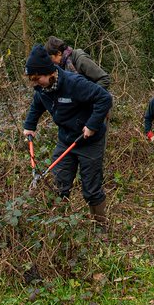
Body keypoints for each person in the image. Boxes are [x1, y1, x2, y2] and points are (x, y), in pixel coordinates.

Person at [22, 43, 113, 227]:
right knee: (59, 185)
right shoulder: (42, 89)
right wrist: (30, 126)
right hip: (66, 140)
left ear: (50, 73)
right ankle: (60, 227)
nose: (35, 82)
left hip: (89, 141)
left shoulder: (74, 83)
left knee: (91, 189)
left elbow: (104, 98)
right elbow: (37, 105)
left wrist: (92, 125)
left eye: (37, 78)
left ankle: (100, 227)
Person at [44, 36, 111, 90]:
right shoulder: (61, 66)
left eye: (50, 58)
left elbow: (104, 79)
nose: (50, 61)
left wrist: (90, 95)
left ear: (58, 53)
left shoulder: (81, 59)